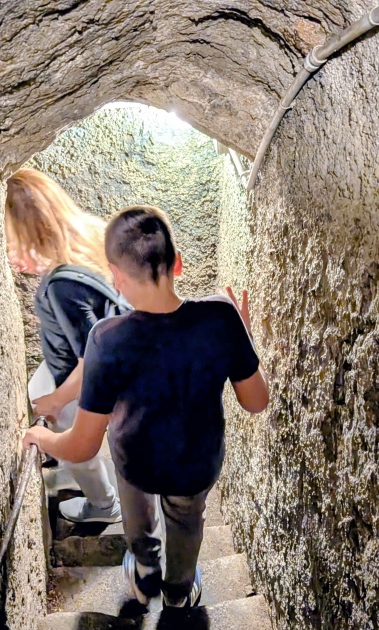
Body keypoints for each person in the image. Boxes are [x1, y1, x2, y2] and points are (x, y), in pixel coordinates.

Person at [23, 205, 269, 608]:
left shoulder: (106, 338)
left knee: (138, 520)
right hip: (196, 461)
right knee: (187, 522)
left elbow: (83, 446)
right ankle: (179, 589)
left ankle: (145, 572)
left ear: (116, 277)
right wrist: (243, 339)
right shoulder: (220, 318)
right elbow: (256, 401)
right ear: (179, 264)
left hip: (135, 459)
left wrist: (42, 436)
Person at [4, 168, 123, 524]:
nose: (9, 254)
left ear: (31, 233)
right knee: (39, 388)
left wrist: (57, 401)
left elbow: (94, 359)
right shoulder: (88, 239)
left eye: (12, 242)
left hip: (94, 377)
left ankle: (104, 506)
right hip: (99, 364)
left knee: (76, 446)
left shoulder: (61, 286)